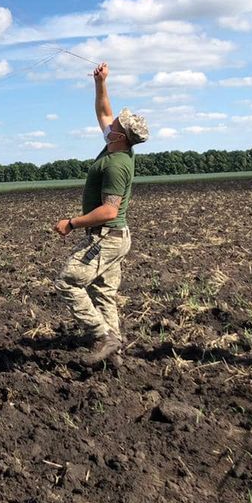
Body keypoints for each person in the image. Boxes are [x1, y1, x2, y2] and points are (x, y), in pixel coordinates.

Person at [53, 63, 149, 368]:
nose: (111, 124)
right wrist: (101, 82)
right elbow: (104, 111)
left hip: (107, 238)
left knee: (68, 282)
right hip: (115, 239)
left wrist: (72, 223)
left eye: (117, 125)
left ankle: (102, 336)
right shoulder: (116, 146)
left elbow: (109, 210)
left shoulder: (117, 163)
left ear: (121, 136)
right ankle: (114, 354)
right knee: (104, 295)